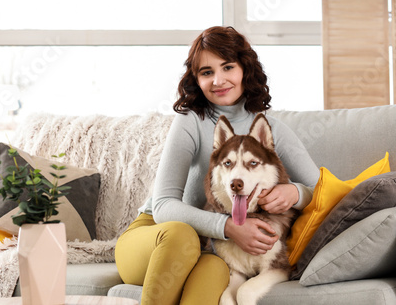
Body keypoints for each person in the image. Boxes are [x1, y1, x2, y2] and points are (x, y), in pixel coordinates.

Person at [114, 26, 320, 305]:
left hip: (206, 249)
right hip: (156, 237)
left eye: (228, 67)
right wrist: (229, 227)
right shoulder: (191, 121)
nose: (218, 80)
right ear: (196, 79)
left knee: (216, 271)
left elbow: (321, 189)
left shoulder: (273, 129)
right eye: (207, 72)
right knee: (181, 234)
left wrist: (295, 192)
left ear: (245, 70)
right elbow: (163, 206)